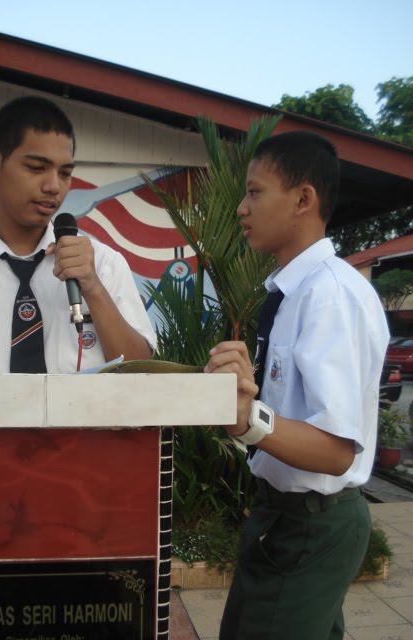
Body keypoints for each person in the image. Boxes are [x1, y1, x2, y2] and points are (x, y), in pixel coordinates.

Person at [205, 131, 389, 640]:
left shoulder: (330, 296)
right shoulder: (293, 292)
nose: (241, 208)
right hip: (283, 517)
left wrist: (250, 418)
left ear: (303, 198)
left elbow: (335, 451)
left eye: (254, 192)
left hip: (312, 525)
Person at [0, 96, 156, 373]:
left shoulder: (103, 264)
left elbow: (143, 374)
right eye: (36, 168)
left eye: (64, 173)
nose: (53, 186)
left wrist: (94, 289)